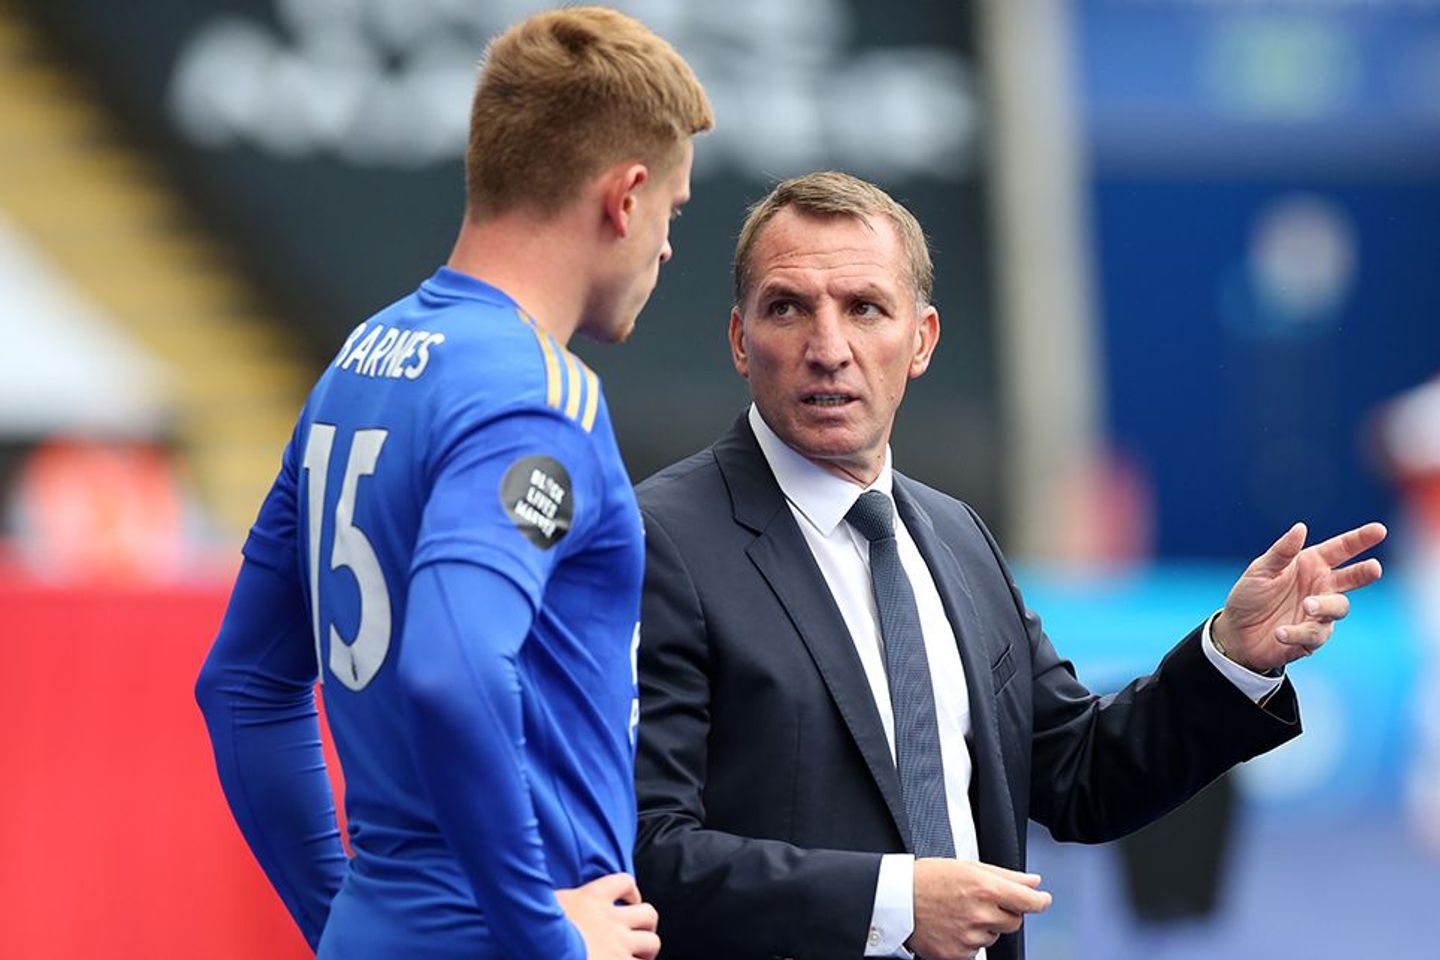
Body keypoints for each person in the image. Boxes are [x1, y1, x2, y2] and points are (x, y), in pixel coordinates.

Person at [633, 171, 1386, 960]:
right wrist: (892, 904)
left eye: (865, 308)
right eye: (788, 308)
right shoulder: (660, 542)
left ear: (921, 340)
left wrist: (1233, 656)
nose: (828, 349)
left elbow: (1079, 774)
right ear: (739, 338)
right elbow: (645, 851)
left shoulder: (956, 537)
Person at [194, 8, 711, 959]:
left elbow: (243, 688)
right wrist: (544, 939)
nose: (669, 246)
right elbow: (452, 670)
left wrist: (351, 922)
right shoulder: (540, 397)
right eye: (674, 212)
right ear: (626, 196)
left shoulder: (359, 364)